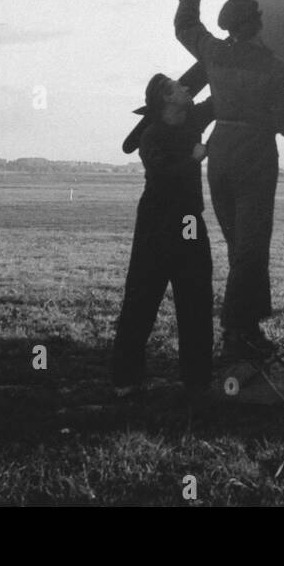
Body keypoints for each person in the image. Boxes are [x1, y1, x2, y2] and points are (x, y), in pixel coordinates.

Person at [175, 0, 284, 361]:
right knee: (252, 249)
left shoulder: (214, 53)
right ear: (258, 25)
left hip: (219, 153)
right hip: (254, 157)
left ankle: (249, 326)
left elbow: (185, 26)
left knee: (241, 248)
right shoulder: (277, 70)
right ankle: (236, 332)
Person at [110, 73, 215, 395]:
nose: (187, 87)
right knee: (141, 298)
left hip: (188, 221)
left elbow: (219, 92)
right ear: (167, 98)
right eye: (178, 87)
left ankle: (196, 379)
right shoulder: (152, 136)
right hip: (157, 223)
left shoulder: (192, 118)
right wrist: (193, 158)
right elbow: (163, 172)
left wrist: (221, 53)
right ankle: (125, 380)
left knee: (196, 299)